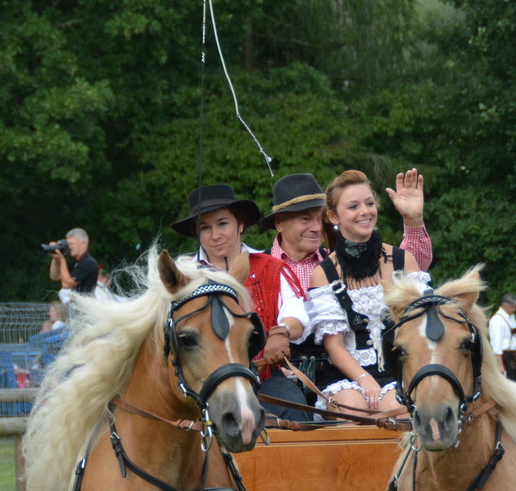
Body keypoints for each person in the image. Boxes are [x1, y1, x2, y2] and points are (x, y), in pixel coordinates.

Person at [174, 183, 311, 419]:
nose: (215, 235)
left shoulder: (271, 267)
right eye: (205, 228)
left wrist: (281, 331)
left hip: (265, 377)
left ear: (240, 225)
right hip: (203, 382)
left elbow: (297, 316)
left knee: (293, 410)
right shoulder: (184, 275)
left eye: (222, 224)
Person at [304, 170, 429, 418]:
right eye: (353, 206)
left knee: (395, 407)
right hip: (347, 376)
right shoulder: (325, 272)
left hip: (401, 372)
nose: (365, 211)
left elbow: (422, 328)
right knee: (352, 408)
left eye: (369, 203)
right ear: (333, 216)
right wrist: (365, 379)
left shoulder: (403, 261)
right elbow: (335, 346)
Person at [264, 169, 435, 292]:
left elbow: (410, 266)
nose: (317, 228)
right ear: (279, 223)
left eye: (319, 219)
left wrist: (413, 221)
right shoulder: (258, 268)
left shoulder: (337, 261)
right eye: (305, 219)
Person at [48, 228, 100, 295]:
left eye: (72, 244)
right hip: (76, 303)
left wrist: (61, 259)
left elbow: (66, 284)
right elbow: (54, 276)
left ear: (83, 243)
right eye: (68, 244)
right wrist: (55, 256)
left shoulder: (88, 262)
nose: (69, 247)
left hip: (85, 304)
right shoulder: (75, 262)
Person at [489, 294, 516, 380]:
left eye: (515, 307)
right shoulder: (497, 320)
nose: (514, 309)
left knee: (515, 381)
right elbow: (496, 344)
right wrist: (500, 365)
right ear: (504, 305)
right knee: (508, 382)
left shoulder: (512, 317)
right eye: (511, 307)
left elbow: (514, 339)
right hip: (503, 355)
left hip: (512, 354)